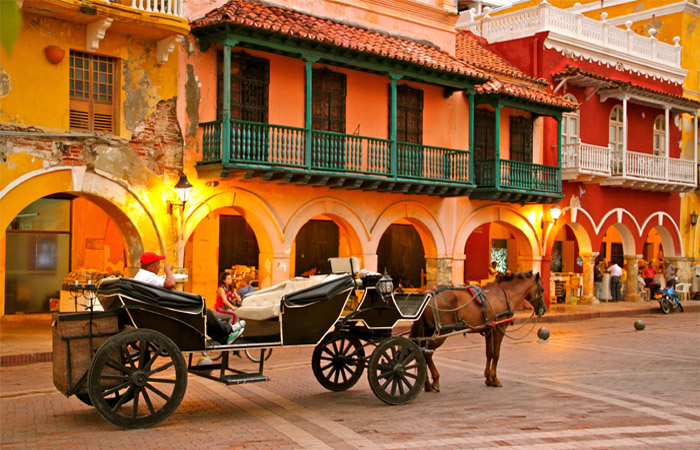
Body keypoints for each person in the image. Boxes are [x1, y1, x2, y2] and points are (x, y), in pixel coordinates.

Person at [134, 252, 242, 345]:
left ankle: (224, 336)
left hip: (156, 309)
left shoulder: (141, 276)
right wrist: (168, 271)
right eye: (158, 265)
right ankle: (228, 330)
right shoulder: (148, 276)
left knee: (203, 314)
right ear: (151, 266)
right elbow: (170, 283)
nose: (159, 267)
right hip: (164, 312)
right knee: (204, 312)